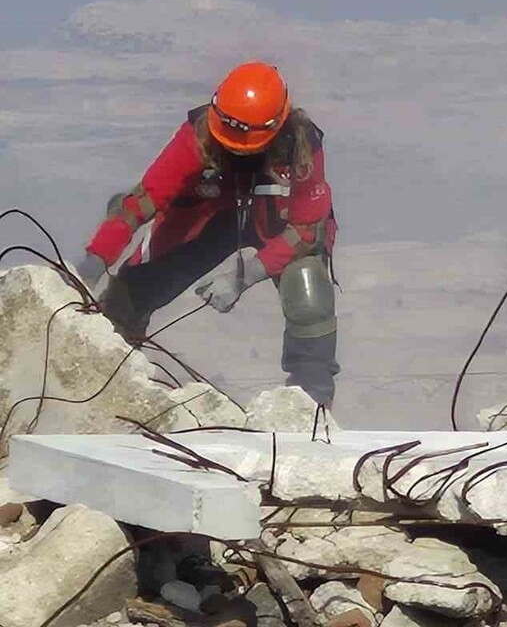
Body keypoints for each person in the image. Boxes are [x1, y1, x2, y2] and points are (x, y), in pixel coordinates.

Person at [75, 62, 340, 406]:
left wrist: (244, 277)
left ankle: (311, 406)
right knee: (131, 293)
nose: (236, 148)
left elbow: (306, 228)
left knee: (308, 288)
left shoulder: (302, 148)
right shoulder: (199, 135)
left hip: (277, 224)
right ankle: (101, 385)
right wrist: (93, 263)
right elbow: (143, 200)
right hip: (211, 217)